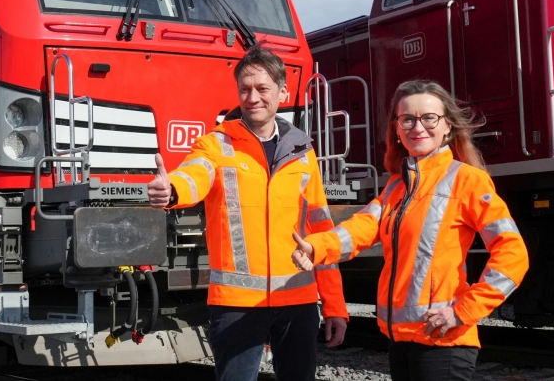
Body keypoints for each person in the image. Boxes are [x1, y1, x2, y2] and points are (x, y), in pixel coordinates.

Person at [291, 80, 529, 381]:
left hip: (444, 341)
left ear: (448, 127)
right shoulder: (396, 187)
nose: (418, 127)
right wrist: (316, 247)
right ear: (397, 130)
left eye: (429, 118)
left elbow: (513, 254)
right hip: (402, 340)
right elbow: (362, 228)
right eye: (407, 119)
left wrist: (462, 311)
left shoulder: (468, 181)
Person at [148, 46, 348, 381]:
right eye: (245, 89)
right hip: (236, 304)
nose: (252, 97)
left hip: (296, 299)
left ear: (282, 93)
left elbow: (320, 231)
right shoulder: (216, 144)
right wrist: (173, 191)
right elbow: (194, 175)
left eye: (262, 88)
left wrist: (335, 305)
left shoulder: (302, 151)